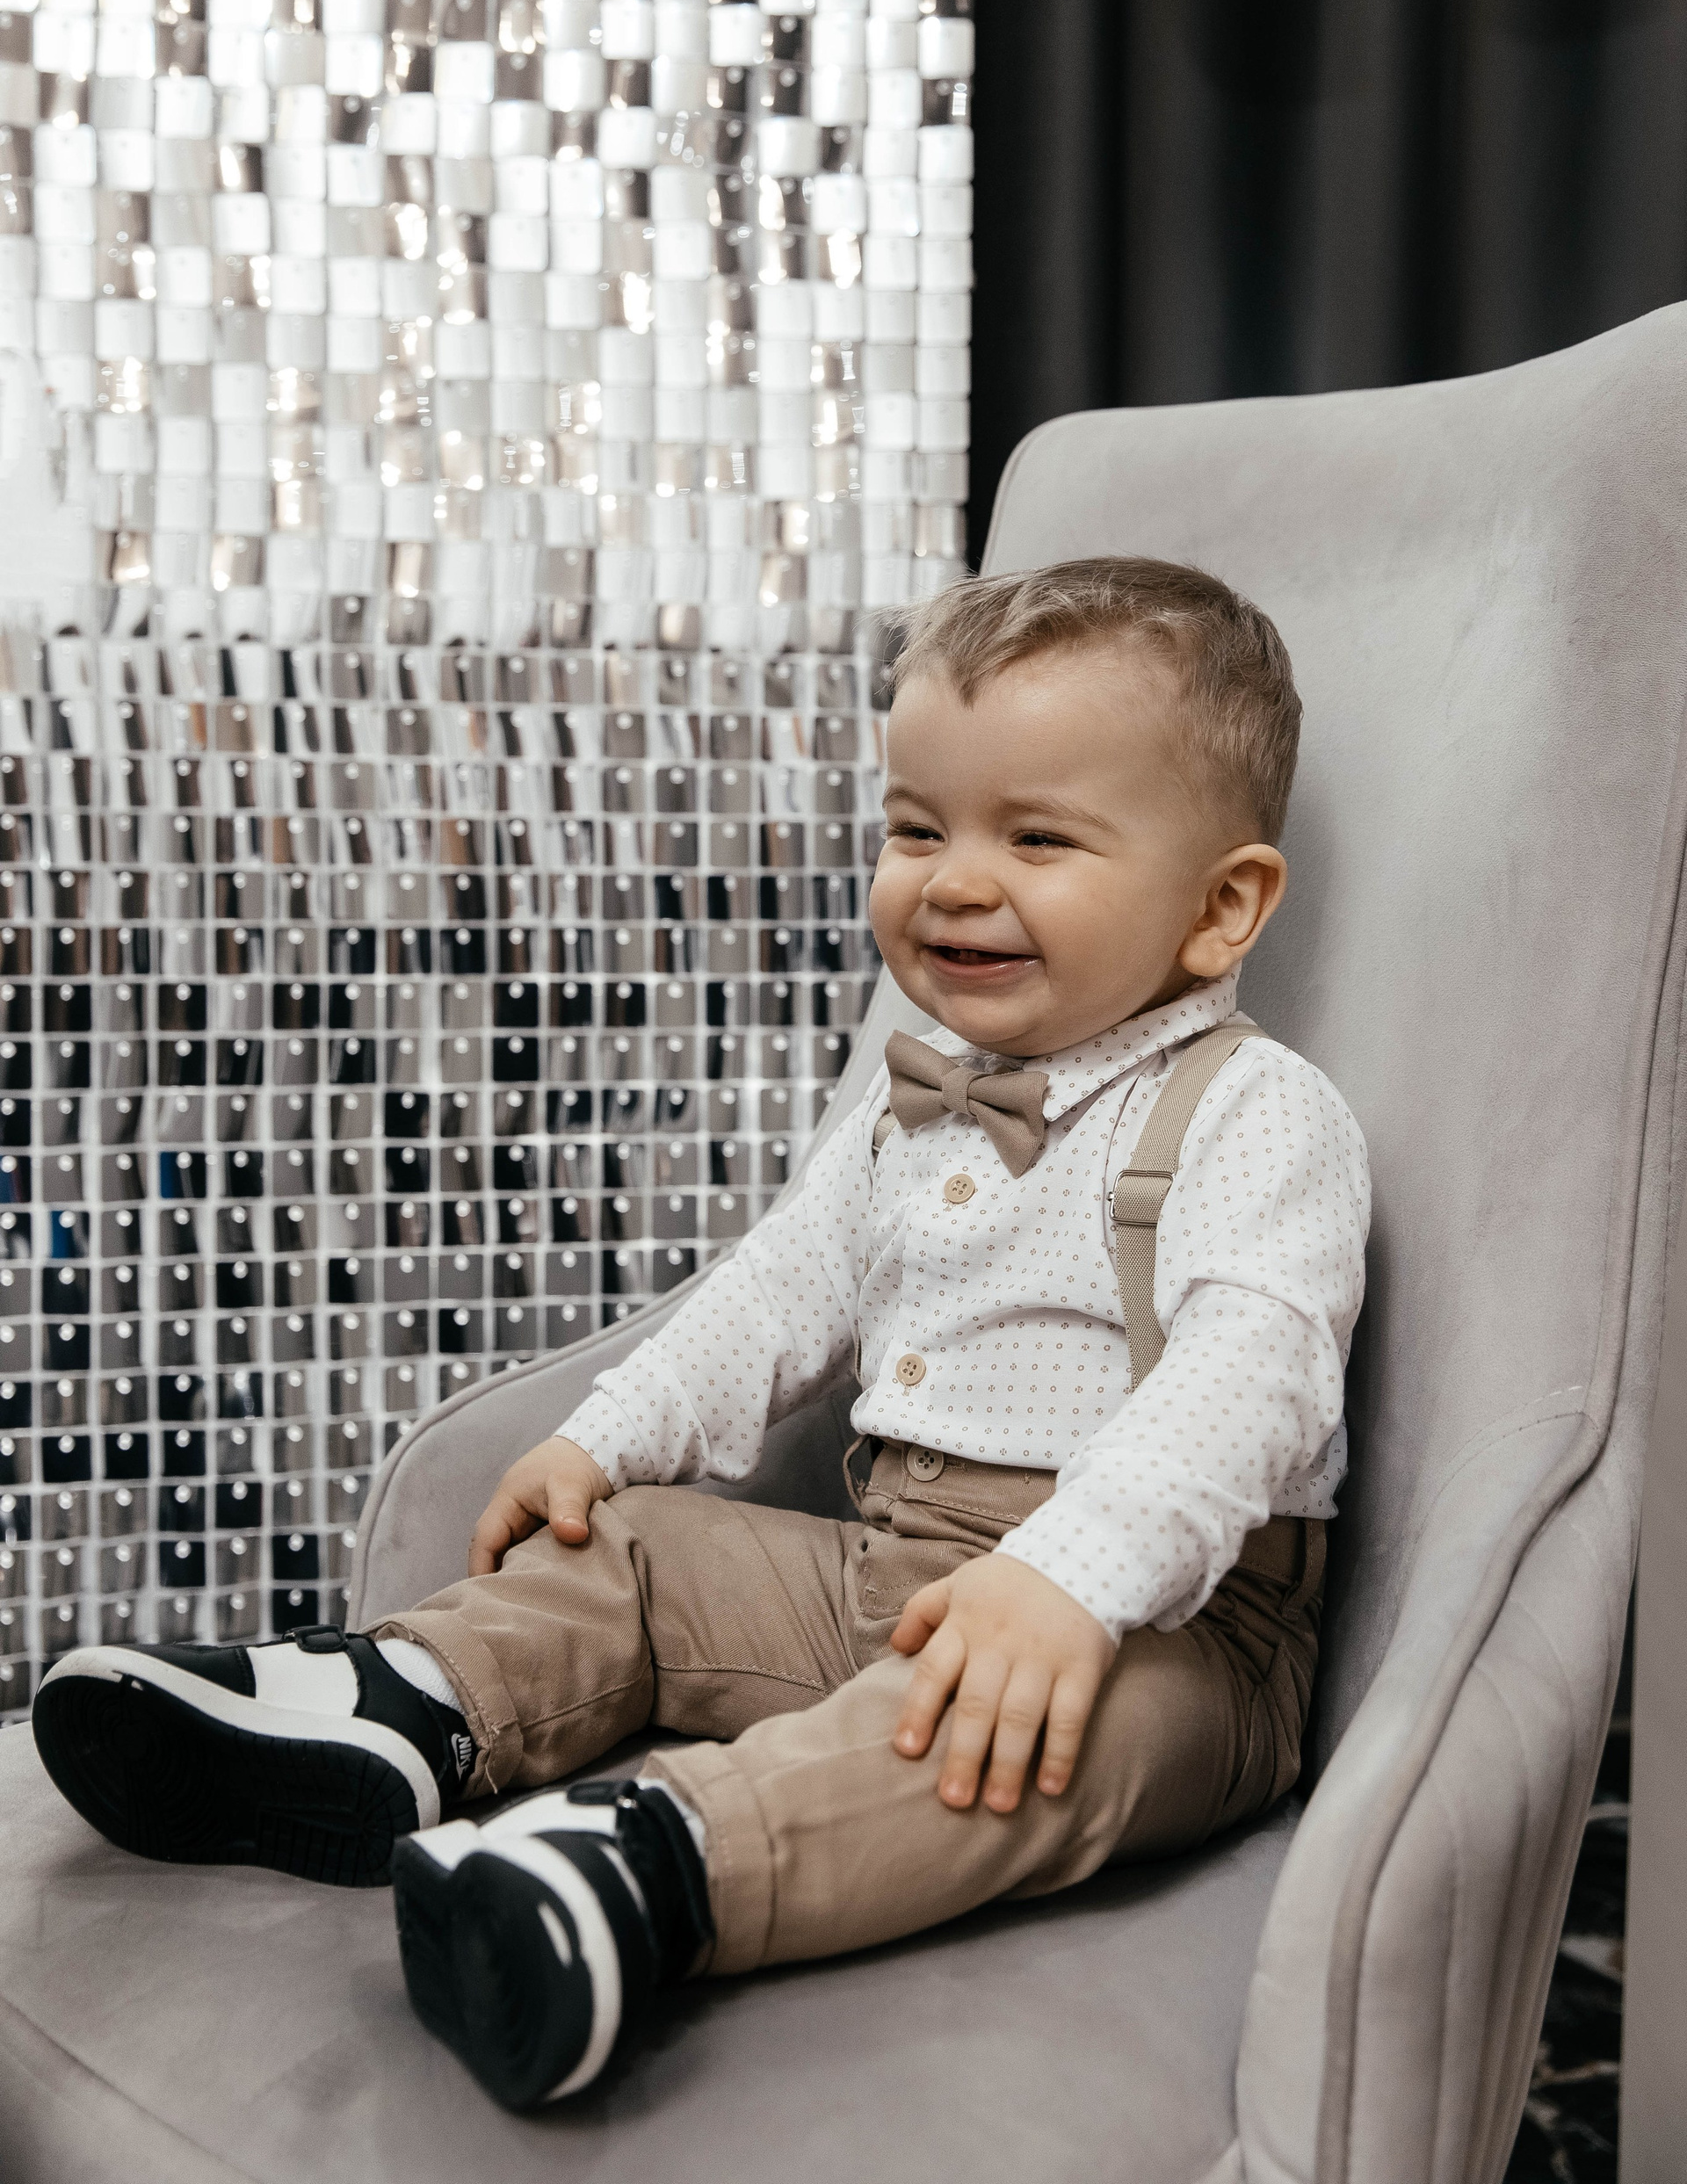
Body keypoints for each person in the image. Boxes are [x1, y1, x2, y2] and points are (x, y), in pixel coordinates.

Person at [33, 556, 1369, 2115]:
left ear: (1221, 908)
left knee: (994, 1746)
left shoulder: (1259, 1114)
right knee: (641, 1546)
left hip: (1165, 1630)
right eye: (917, 828)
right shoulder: (915, 1097)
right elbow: (776, 1290)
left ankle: (643, 1873)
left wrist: (1071, 1579)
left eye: (1037, 838)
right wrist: (612, 1436)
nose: (952, 882)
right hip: (888, 1568)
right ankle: (397, 1712)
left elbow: (1253, 1375)